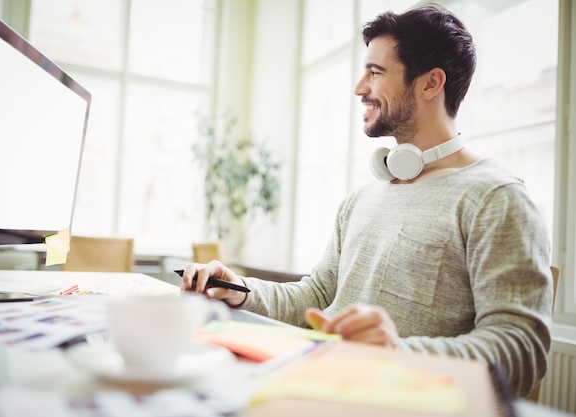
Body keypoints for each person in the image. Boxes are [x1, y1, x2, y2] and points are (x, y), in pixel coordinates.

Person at [181, 4, 553, 398]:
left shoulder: (496, 198)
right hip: (324, 392)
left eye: (376, 72)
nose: (360, 88)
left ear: (430, 84)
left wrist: (398, 354)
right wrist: (238, 288)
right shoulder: (363, 198)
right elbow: (317, 299)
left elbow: (521, 351)